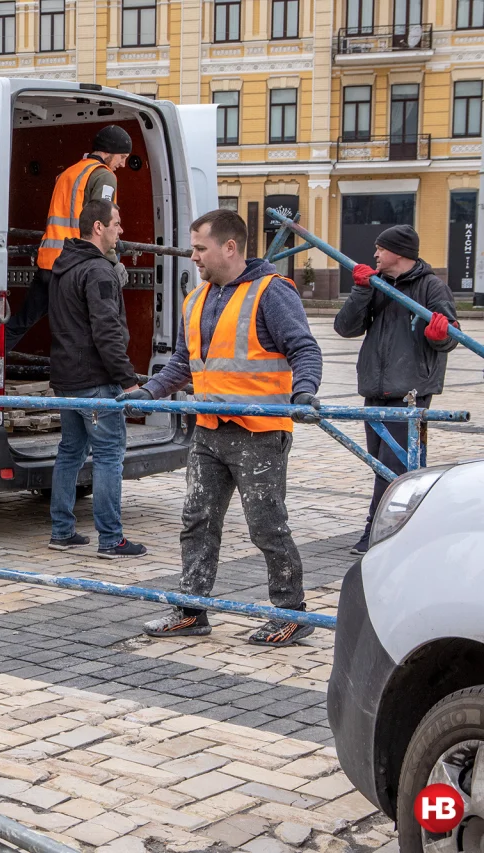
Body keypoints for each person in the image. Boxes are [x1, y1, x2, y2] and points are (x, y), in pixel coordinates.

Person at [120, 209, 323, 646]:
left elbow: (305, 350)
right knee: (197, 520)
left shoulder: (272, 293)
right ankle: (192, 609)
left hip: (259, 432)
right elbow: (182, 363)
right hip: (209, 429)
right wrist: (149, 392)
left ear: (229, 247)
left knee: (266, 525)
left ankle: (291, 612)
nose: (193, 256)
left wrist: (304, 393)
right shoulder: (197, 299)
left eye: (200, 248)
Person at [334, 225, 459, 554]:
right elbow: (345, 328)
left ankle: (378, 532)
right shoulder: (377, 285)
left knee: (397, 467)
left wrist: (438, 335)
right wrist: (361, 290)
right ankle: (410, 527)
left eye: (380, 248)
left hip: (409, 392)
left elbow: (449, 336)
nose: (374, 254)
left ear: (400, 253)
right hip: (375, 389)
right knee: (381, 464)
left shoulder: (432, 286)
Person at [46, 199, 147, 558]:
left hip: (67, 379)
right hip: (96, 381)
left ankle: (62, 531)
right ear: (99, 227)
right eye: (117, 223)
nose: (121, 230)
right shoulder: (99, 271)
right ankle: (111, 539)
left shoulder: (62, 267)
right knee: (108, 455)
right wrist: (128, 380)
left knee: (70, 451)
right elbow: (107, 332)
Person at [4, 125, 133, 351]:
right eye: (122, 157)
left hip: (48, 262)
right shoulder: (104, 176)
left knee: (20, 323)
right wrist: (112, 262)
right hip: (74, 266)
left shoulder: (69, 173)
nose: (122, 164)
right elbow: (101, 222)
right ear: (108, 151)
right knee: (83, 332)